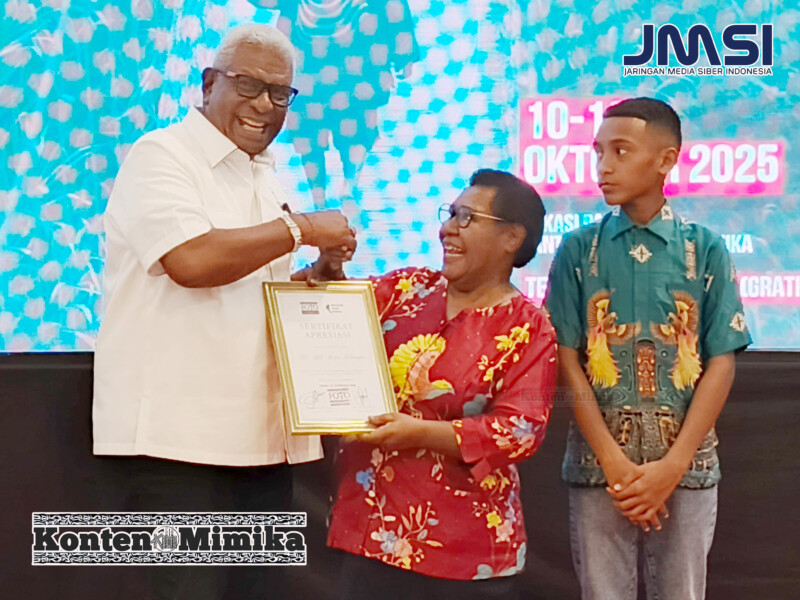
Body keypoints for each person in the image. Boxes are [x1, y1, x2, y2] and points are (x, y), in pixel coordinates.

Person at [92, 24, 356, 600]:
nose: (264, 105)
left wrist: (318, 275)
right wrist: (302, 228)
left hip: (261, 445)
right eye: (249, 85)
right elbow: (190, 261)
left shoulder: (264, 173)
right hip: (180, 447)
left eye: (280, 93)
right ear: (209, 83)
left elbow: (250, 292)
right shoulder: (162, 155)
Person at [545, 98, 752, 600]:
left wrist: (674, 465)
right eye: (598, 152)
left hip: (686, 468)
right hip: (599, 468)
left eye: (620, 151)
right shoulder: (578, 251)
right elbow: (567, 359)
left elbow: (721, 361)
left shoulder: (705, 249)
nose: (604, 166)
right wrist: (613, 462)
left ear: (666, 160)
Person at [327, 169, 557, 600]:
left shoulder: (528, 326)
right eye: (450, 214)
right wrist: (324, 272)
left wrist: (421, 433)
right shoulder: (406, 289)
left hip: (465, 553)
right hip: (371, 534)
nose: (448, 228)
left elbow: (521, 431)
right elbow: (326, 323)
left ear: (511, 238)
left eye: (467, 218)